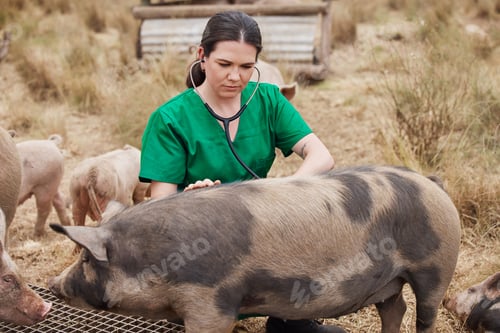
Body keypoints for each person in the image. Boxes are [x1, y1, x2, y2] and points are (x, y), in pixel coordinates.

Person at [139, 10, 343, 333]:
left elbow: (321, 155)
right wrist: (189, 203)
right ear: (202, 57)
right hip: (199, 243)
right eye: (225, 65)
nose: (236, 77)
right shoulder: (169, 120)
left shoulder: (268, 101)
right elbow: (158, 207)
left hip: (259, 230)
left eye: (247, 67)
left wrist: (280, 193)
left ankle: (289, 320)